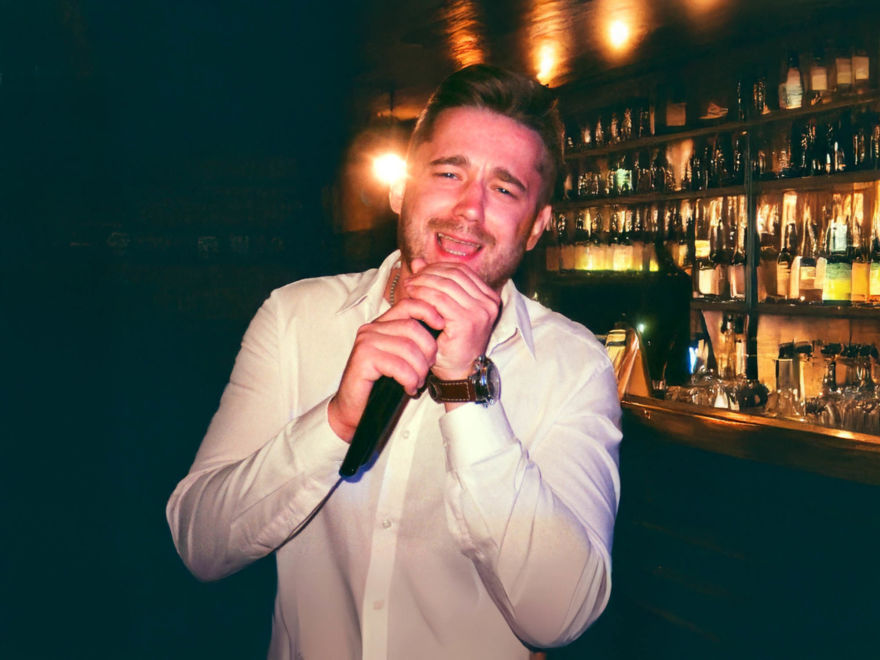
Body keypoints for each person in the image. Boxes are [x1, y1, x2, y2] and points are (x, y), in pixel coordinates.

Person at [166, 64, 622, 659]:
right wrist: (335, 422)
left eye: (505, 189)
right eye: (449, 172)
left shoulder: (576, 366)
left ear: (537, 227)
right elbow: (199, 544)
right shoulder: (294, 318)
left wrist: (466, 390)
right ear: (399, 189)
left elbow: (559, 616)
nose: (470, 208)